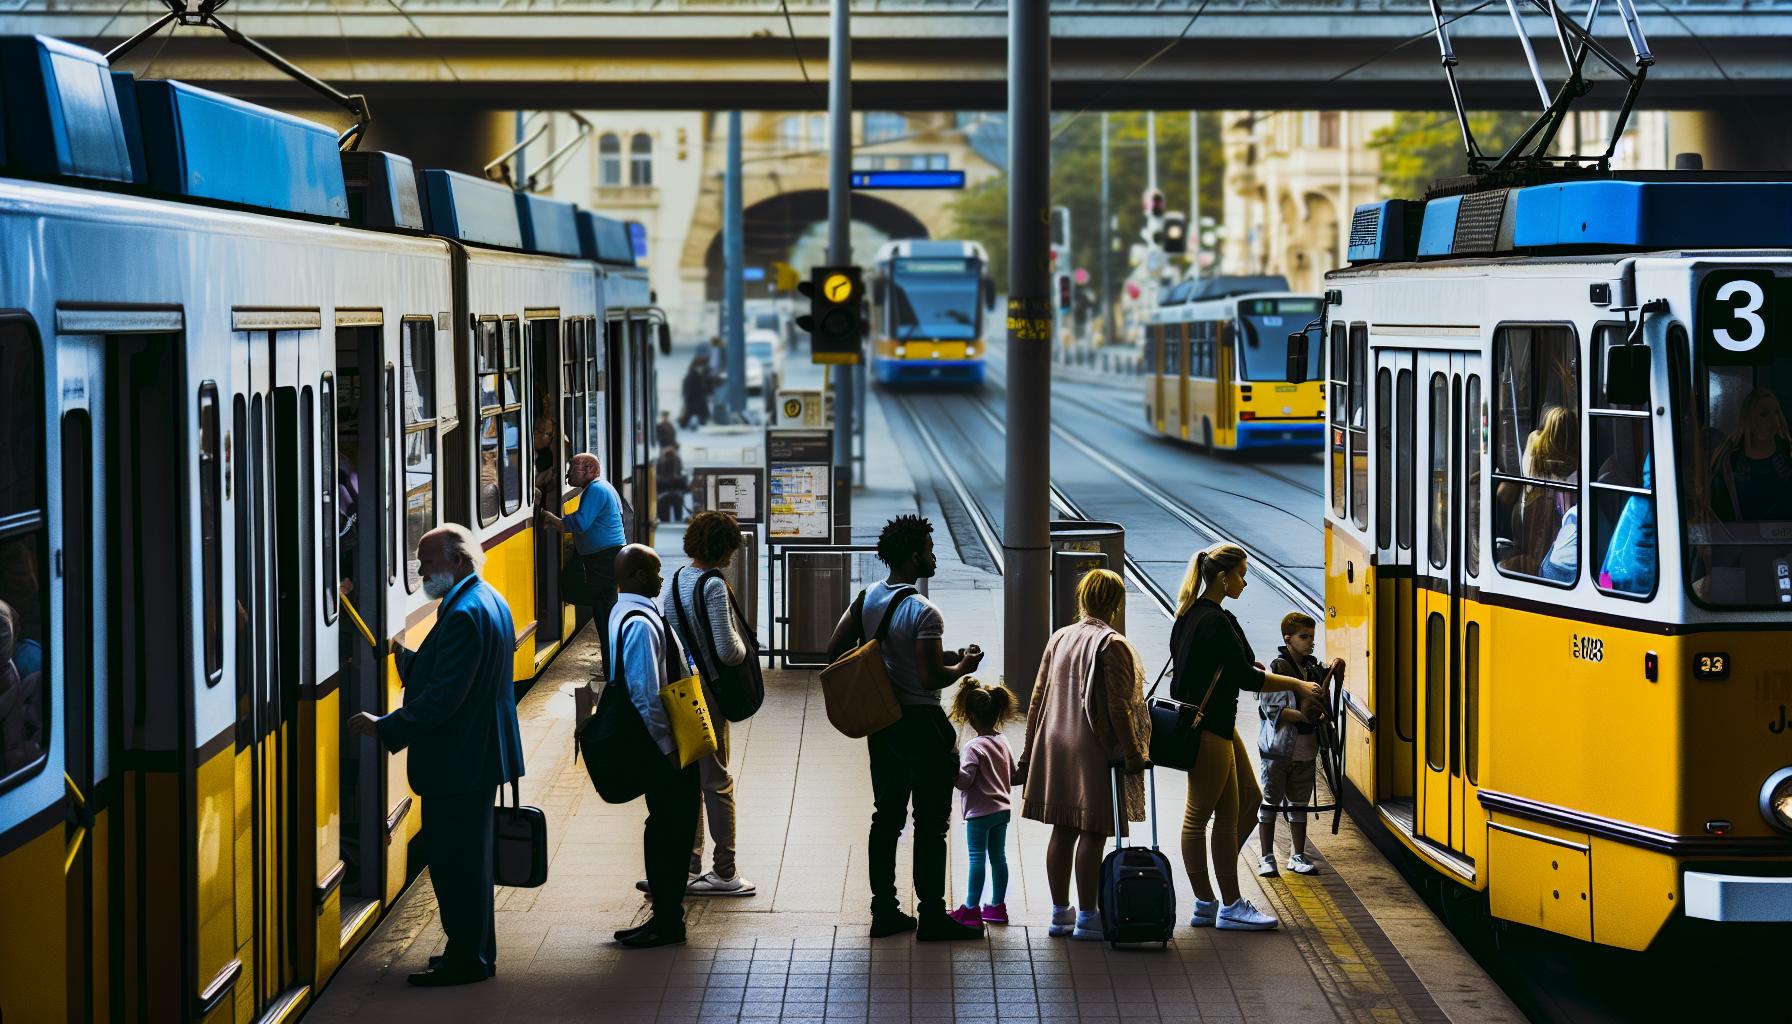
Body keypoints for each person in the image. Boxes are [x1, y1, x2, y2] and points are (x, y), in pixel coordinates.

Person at [346, 524, 525, 986]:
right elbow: (450, 670)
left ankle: (467, 960)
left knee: (456, 866)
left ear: (459, 561)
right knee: (470, 863)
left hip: (460, 762)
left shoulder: (463, 612)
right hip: (477, 756)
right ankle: (471, 952)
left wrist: (384, 727)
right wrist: (402, 656)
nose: (421, 570)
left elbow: (445, 697)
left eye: (428, 562)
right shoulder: (486, 599)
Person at [825, 515, 986, 941]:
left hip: (884, 722)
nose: (934, 557)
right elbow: (933, 677)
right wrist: (964, 666)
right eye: (930, 550)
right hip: (922, 723)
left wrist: (882, 669)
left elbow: (835, 648)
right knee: (931, 823)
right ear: (915, 556)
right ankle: (932, 915)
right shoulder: (924, 611)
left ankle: (885, 911)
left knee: (888, 817)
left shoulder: (867, 598)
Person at [1172, 543, 1324, 932]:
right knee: (1201, 818)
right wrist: (1299, 685)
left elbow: (1234, 665)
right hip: (1207, 728)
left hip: (1217, 725)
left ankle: (1220, 896)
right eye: (1241, 573)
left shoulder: (1197, 614)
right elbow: (1244, 678)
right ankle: (1216, 902)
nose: (1244, 581)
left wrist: (1246, 665)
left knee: (1250, 801)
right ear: (1223, 577)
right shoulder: (1212, 620)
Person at [1016, 569, 1150, 941]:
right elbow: (1119, 707)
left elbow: (1037, 698)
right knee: (1095, 829)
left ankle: (1061, 914)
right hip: (1091, 746)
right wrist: (1133, 752)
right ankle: (1088, 916)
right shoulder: (1112, 644)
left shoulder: (1059, 638)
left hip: (1055, 740)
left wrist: (1028, 755)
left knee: (1064, 828)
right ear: (1116, 603)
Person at [655, 511, 755, 898]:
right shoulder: (713, 585)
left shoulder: (677, 578)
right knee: (717, 782)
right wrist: (748, 648)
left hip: (683, 691)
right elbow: (729, 651)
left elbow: (674, 637)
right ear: (723, 547)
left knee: (690, 781)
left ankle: (688, 864)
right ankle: (725, 871)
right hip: (710, 696)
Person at [611, 543, 701, 949]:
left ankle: (665, 917)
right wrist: (670, 748)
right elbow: (645, 693)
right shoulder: (640, 623)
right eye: (654, 572)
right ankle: (668, 921)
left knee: (663, 827)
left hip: (660, 744)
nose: (662, 578)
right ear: (635, 576)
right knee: (673, 831)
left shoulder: (622, 611)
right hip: (666, 747)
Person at [1257, 612, 1333, 878]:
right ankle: (1266, 856)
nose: (1310, 642)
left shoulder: (1311, 668)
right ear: (1287, 639)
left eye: (1312, 637)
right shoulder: (1278, 669)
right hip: (1278, 749)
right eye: (1304, 637)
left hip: (1304, 749)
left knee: (1298, 803)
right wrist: (1303, 715)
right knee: (1270, 802)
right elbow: (1270, 709)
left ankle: (1296, 855)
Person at [539, 453, 627, 675]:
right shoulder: (599, 488)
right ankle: (612, 667)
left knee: (604, 613)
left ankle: (614, 670)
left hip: (603, 559)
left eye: (572, 468)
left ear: (590, 469)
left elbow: (580, 523)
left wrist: (550, 519)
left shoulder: (596, 489)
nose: (567, 473)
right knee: (603, 611)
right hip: (604, 557)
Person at [947, 677, 1020, 930]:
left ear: (972, 718)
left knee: (976, 858)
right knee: (998, 857)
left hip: (979, 814)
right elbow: (1012, 775)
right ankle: (997, 906)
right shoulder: (1003, 741)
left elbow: (965, 782)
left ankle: (970, 909)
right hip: (1002, 811)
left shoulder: (972, 747)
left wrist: (952, 770)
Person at [1711, 388, 1792, 523]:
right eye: (1764, 414)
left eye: (1777, 412)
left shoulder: (1788, 450)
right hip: (1744, 536)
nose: (1773, 419)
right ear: (1749, 418)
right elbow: (1722, 505)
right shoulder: (1731, 458)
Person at [656, 444, 688, 524]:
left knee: (664, 519)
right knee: (678, 516)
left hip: (662, 496)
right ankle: (678, 518)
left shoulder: (660, 463)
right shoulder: (679, 476)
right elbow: (686, 489)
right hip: (676, 495)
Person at [681, 352, 712, 430]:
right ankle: (686, 422)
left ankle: (686, 422)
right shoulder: (695, 375)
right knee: (700, 413)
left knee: (692, 413)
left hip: (692, 399)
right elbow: (701, 389)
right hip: (694, 400)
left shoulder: (693, 373)